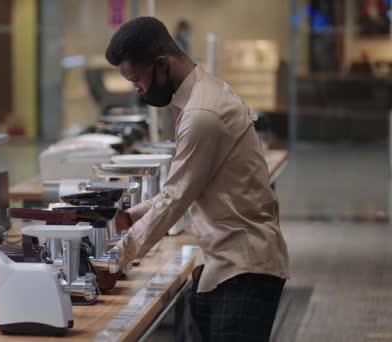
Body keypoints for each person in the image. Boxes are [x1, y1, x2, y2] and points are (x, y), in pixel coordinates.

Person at [104, 17, 289, 342]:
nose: (138, 90)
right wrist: (128, 218)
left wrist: (113, 260)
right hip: (224, 265)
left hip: (243, 271)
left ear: (162, 64)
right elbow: (186, 187)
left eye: (137, 80)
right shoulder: (200, 96)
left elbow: (176, 198)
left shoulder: (202, 115)